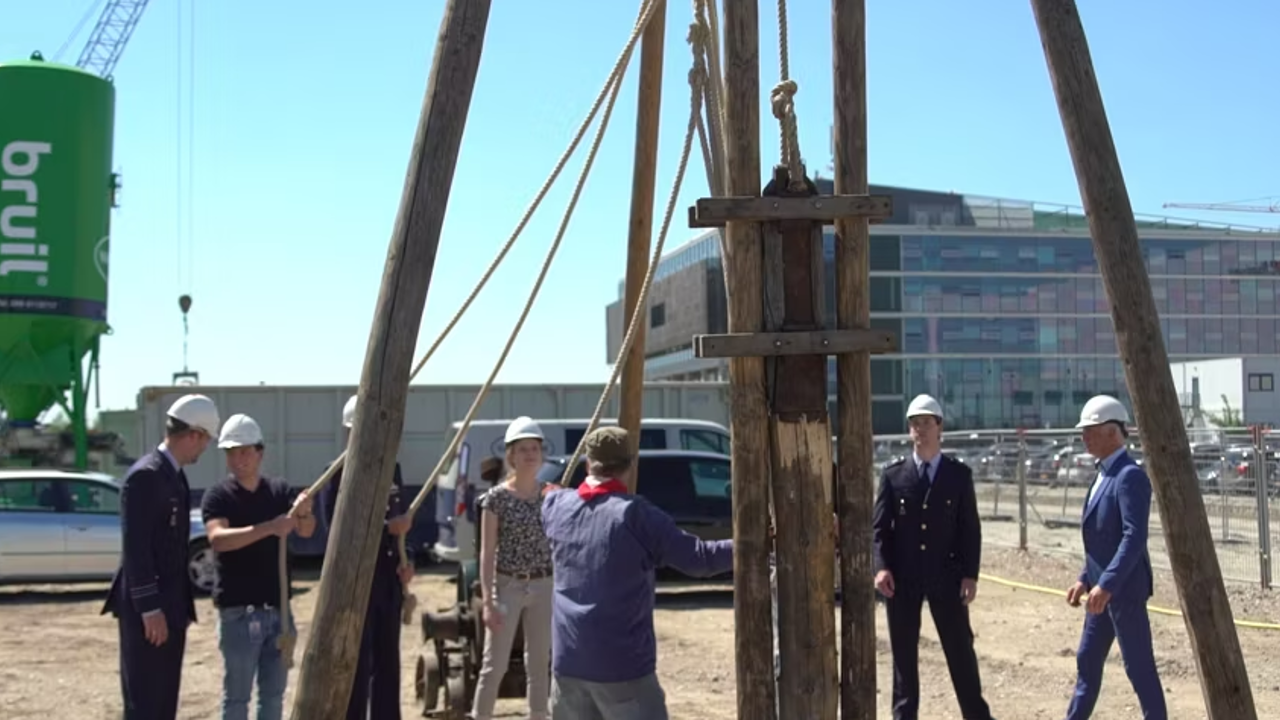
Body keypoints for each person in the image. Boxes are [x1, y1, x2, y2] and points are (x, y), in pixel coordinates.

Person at [541, 426, 734, 720]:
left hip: (567, 663)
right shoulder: (635, 515)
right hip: (621, 665)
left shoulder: (557, 506)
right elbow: (699, 560)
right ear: (631, 466)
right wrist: (753, 544)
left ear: (588, 463)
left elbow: (549, 498)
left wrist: (552, 492)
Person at [872, 394, 996, 720]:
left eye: (926, 423)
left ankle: (977, 715)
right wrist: (881, 568)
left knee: (960, 653)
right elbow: (880, 530)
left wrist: (971, 574)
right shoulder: (894, 476)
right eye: (914, 424)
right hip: (903, 579)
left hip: (947, 577)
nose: (920, 430)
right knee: (903, 657)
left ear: (939, 426)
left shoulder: (958, 476)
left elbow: (970, 529)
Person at [102, 393, 220, 720]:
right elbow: (136, 548)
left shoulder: (171, 474)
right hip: (149, 611)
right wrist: (149, 607)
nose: (205, 447)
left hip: (168, 606)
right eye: (205, 439)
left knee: (165, 697)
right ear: (193, 434)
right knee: (146, 700)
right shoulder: (146, 476)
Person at [201, 413, 316, 720]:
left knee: (273, 697)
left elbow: (306, 531)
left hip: (278, 611)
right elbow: (219, 539)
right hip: (239, 613)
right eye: (231, 452)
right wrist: (269, 527)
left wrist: (304, 512)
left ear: (259, 452)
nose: (239, 459)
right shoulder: (218, 496)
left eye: (245, 451)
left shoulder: (279, 491)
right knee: (237, 698)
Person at [1064, 395, 1166, 720]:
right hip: (1100, 593)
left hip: (1123, 591)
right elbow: (1101, 540)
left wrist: (1106, 584)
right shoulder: (1102, 474)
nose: (1085, 437)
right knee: (1088, 662)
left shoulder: (1129, 476)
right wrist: (1085, 578)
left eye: (1090, 430)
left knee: (1139, 669)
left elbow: (1133, 537)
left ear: (1112, 432)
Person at [322, 394, 415, 720]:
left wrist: (408, 559)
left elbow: (400, 522)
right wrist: (388, 528)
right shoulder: (336, 474)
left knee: (388, 661)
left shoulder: (393, 469)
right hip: (354, 585)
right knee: (355, 661)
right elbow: (338, 530)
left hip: (388, 581)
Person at [470, 417, 554, 720]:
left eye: (534, 448)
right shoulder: (496, 499)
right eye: (523, 449)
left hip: (544, 585)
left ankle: (538, 715)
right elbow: (488, 552)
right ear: (511, 455)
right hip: (508, 586)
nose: (530, 454)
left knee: (539, 662)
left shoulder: (550, 495)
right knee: (495, 664)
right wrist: (489, 602)